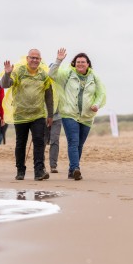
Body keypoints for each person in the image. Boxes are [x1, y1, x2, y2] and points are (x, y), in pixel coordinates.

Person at [48, 48, 106, 180]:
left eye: (83, 62)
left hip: (87, 116)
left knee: (79, 144)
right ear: (74, 63)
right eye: (78, 62)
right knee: (73, 142)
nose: (80, 64)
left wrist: (96, 104)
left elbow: (101, 93)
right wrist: (58, 60)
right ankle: (75, 168)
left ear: (88, 64)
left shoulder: (94, 77)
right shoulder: (67, 73)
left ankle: (71, 170)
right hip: (69, 114)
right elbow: (51, 75)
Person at [2, 49, 54, 181]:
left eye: (37, 58)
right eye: (32, 58)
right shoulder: (19, 71)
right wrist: (7, 74)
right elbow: (5, 84)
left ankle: (39, 171)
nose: (34, 60)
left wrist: (50, 114)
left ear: (40, 60)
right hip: (20, 115)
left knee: (39, 142)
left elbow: (49, 95)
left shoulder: (44, 74)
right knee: (21, 144)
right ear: (27, 58)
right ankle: (20, 170)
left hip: (38, 114)